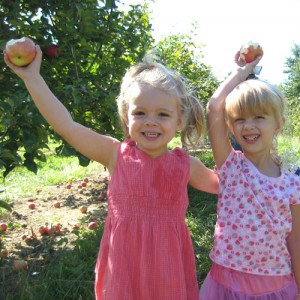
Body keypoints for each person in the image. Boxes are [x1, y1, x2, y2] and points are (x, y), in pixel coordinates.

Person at [4, 45, 219, 300]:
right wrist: (32, 77)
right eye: (140, 113)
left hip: (167, 267)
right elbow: (67, 126)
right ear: (126, 117)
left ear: (179, 121)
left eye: (163, 114)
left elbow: (224, 184)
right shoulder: (115, 155)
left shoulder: (186, 165)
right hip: (124, 268)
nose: (150, 121)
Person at [199, 51, 300, 300]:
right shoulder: (231, 166)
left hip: (275, 285)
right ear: (231, 126)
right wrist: (243, 71)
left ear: (278, 124)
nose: (249, 125)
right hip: (225, 283)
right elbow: (214, 106)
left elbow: (296, 240)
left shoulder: (292, 184)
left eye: (259, 117)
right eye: (240, 119)